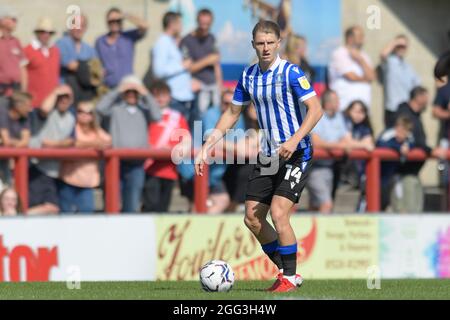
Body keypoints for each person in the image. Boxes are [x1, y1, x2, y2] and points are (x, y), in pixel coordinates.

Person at [195, 20, 324, 292]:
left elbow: (316, 110)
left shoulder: (291, 72)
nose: (265, 48)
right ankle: (286, 270)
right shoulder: (248, 76)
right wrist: (207, 145)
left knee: (279, 213)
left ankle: (289, 276)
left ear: (278, 43)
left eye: (269, 43)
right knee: (252, 218)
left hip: (297, 152)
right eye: (260, 43)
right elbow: (232, 113)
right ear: (253, 44)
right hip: (268, 156)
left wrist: (295, 138)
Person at [96, 75, 161, 213]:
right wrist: (118, 90)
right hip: (116, 162)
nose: (131, 94)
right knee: (112, 201)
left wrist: (145, 93)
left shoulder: (144, 110)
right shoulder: (115, 109)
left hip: (137, 164)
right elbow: (100, 108)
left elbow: (157, 116)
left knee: (132, 203)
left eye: (134, 92)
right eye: (128, 91)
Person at [306, 91, 373, 214]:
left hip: (329, 167)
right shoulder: (318, 116)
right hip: (315, 167)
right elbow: (316, 142)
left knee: (316, 205)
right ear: (328, 102)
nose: (339, 103)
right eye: (336, 100)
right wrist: (340, 145)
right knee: (326, 204)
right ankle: (322, 232)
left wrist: (354, 144)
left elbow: (345, 139)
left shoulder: (339, 117)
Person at [142, 80, 190, 213]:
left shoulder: (177, 117)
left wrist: (174, 149)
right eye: (156, 95)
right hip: (149, 168)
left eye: (163, 95)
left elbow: (186, 140)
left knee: (163, 209)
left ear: (169, 97)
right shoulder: (146, 114)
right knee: (150, 207)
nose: (160, 99)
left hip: (169, 170)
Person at [28, 85, 76, 215]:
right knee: (41, 206)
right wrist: (56, 91)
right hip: (37, 167)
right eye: (61, 97)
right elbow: (44, 108)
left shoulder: (70, 118)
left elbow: (71, 143)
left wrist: (53, 144)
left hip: (55, 170)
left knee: (51, 208)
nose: (64, 101)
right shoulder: (49, 113)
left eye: (67, 98)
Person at [59, 101, 112, 213]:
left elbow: (108, 142)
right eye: (80, 111)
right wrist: (93, 144)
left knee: (87, 216)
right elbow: (70, 142)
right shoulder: (72, 127)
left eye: (88, 112)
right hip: (68, 179)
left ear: (93, 116)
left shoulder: (96, 130)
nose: (84, 115)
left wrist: (85, 145)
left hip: (87, 182)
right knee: (65, 218)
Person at [201, 89, 246, 214]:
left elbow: (241, 142)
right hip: (201, 170)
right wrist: (237, 149)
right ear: (220, 102)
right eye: (226, 103)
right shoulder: (210, 114)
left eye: (232, 104)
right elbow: (212, 141)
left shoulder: (238, 116)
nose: (229, 107)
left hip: (221, 171)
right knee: (221, 200)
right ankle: (201, 231)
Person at [180, 8, 222, 122]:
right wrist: (207, 60)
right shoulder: (186, 41)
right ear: (197, 21)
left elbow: (216, 65)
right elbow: (186, 69)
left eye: (208, 24)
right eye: (202, 23)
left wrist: (220, 88)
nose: (205, 27)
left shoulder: (212, 38)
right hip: (197, 90)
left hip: (213, 89)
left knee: (215, 121)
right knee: (198, 123)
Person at [151, 12, 194, 120]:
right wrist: (182, 66)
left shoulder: (170, 42)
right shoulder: (162, 42)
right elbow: (158, 71)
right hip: (174, 98)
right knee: (176, 135)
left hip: (182, 98)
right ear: (172, 24)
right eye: (180, 23)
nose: (181, 26)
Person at [95, 7, 148, 89]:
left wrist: (125, 15)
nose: (114, 23)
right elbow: (96, 62)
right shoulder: (100, 41)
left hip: (127, 87)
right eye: (111, 21)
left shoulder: (129, 37)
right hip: (108, 87)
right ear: (107, 22)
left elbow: (145, 26)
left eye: (117, 21)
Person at [328, 25, 375, 111]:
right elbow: (351, 76)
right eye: (360, 36)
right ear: (350, 38)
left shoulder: (364, 56)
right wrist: (366, 79)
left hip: (363, 109)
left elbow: (372, 77)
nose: (363, 39)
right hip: (344, 107)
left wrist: (361, 60)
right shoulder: (339, 53)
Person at [56, 14, 99, 104]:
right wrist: (87, 69)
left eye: (82, 25)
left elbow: (97, 72)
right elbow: (71, 65)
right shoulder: (61, 44)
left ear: (85, 28)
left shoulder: (89, 50)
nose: (79, 28)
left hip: (84, 96)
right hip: (65, 95)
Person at [380, 34, 420, 128]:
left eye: (404, 46)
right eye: (399, 46)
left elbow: (418, 87)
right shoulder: (390, 61)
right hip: (393, 109)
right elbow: (383, 54)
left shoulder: (408, 67)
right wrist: (395, 42)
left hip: (407, 110)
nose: (401, 48)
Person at [376, 116, 415, 211]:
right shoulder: (388, 134)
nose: (401, 133)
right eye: (400, 129)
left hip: (392, 174)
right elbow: (379, 144)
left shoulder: (409, 138)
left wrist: (408, 147)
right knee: (375, 199)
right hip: (378, 173)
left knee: (392, 199)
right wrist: (398, 148)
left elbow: (413, 143)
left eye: (404, 131)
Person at [343, 100, 374, 211]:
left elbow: (369, 143)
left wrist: (359, 144)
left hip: (360, 172)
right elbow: (346, 142)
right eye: (355, 111)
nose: (358, 114)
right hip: (343, 169)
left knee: (362, 199)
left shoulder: (364, 127)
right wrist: (362, 145)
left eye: (361, 112)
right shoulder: (343, 122)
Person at [24, 17, 60, 108]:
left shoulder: (55, 51)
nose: (46, 35)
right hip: (34, 104)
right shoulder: (27, 50)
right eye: (43, 32)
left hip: (52, 103)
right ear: (37, 32)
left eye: (49, 33)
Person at [0, 91, 32, 188]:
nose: (30, 109)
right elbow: (6, 141)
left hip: (5, 162)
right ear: (18, 105)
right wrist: (16, 143)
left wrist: (11, 142)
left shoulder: (25, 118)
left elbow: (26, 141)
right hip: (4, 159)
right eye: (27, 105)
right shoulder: (2, 113)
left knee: (7, 189)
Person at [0, 6, 27, 98]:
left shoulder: (16, 41)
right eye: (13, 19)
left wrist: (23, 92)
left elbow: (22, 67)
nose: (16, 23)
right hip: (2, 90)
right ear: (3, 20)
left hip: (15, 90)